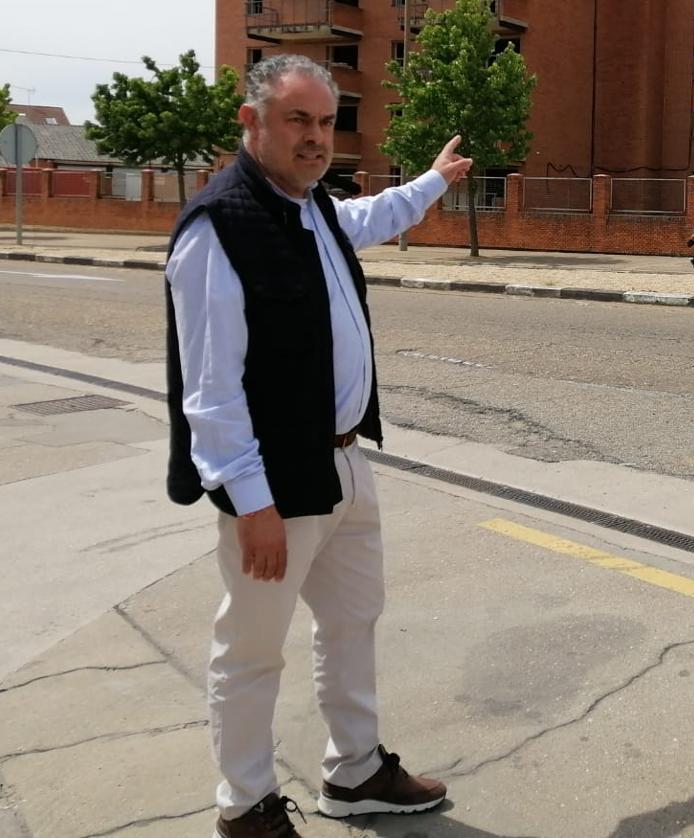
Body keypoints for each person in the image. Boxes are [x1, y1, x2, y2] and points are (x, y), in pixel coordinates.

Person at [164, 55, 472, 838]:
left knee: (351, 621)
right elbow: (210, 390)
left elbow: (374, 215)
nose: (314, 138)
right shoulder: (219, 227)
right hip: (274, 482)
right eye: (297, 119)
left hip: (343, 461)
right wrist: (251, 501)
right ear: (253, 122)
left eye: (325, 122)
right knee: (252, 649)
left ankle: (358, 770)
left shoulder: (316, 210)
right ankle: (245, 807)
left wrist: (434, 179)